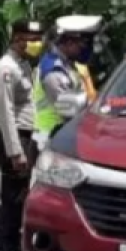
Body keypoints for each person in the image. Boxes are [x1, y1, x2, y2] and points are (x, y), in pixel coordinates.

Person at [0, 19, 45, 251]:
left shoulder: (23, 65)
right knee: (12, 200)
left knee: (19, 197)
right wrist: (15, 151)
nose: (36, 43)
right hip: (13, 139)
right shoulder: (6, 69)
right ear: (17, 38)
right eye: (31, 38)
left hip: (26, 137)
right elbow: (5, 113)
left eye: (38, 38)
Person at [32, 16, 97, 151]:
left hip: (59, 134)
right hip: (49, 138)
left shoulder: (67, 64)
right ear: (68, 43)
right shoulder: (54, 71)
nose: (84, 49)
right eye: (81, 45)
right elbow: (69, 109)